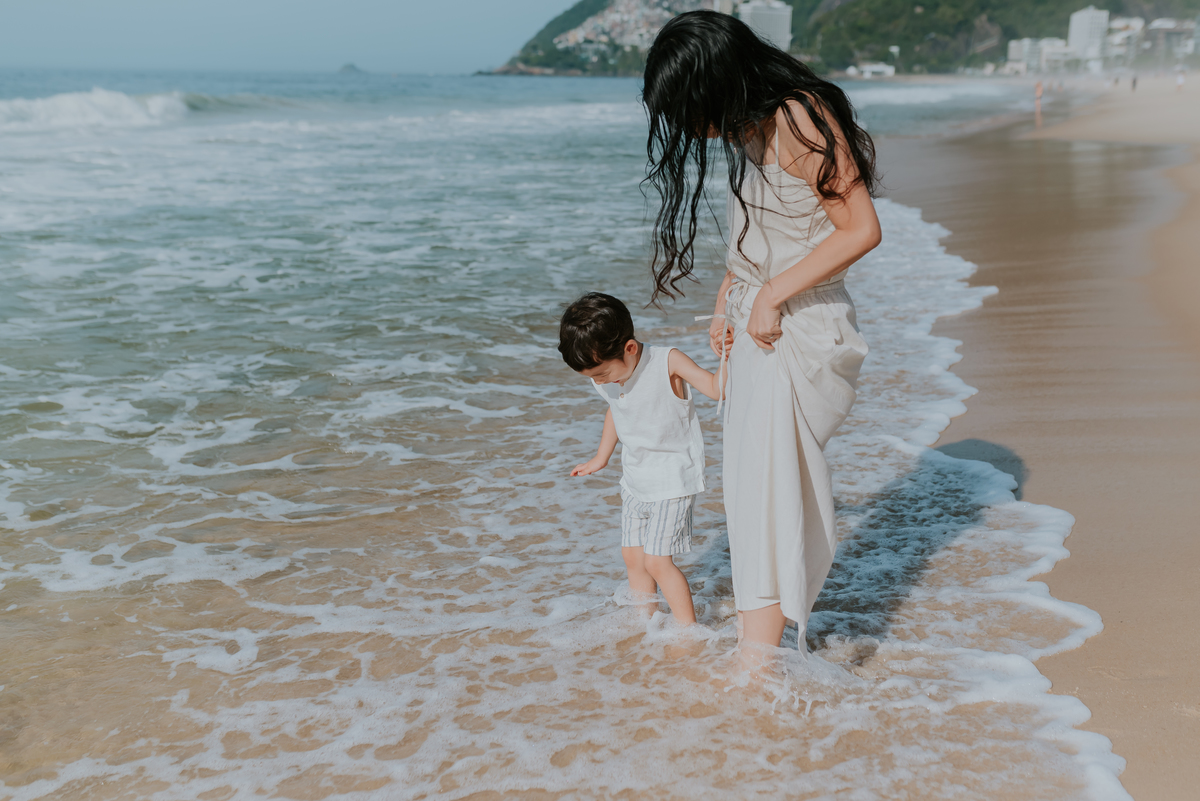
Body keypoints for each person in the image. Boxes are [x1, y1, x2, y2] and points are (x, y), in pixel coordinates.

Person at [641, 11, 880, 652]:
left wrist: (770, 295)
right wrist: (728, 297)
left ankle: (758, 666)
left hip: (795, 325)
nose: (690, 126)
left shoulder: (801, 116)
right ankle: (762, 653)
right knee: (751, 494)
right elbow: (764, 232)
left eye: (690, 107)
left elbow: (860, 230)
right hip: (759, 322)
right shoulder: (751, 125)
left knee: (767, 496)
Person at [560, 292, 726, 624]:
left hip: (672, 480)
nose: (599, 382)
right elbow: (616, 410)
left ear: (630, 348)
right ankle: (646, 623)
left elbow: (716, 388)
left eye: (602, 375)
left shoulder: (668, 361)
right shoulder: (608, 375)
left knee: (657, 561)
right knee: (633, 558)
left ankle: (686, 631)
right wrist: (601, 457)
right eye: (593, 377)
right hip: (635, 481)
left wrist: (730, 355)